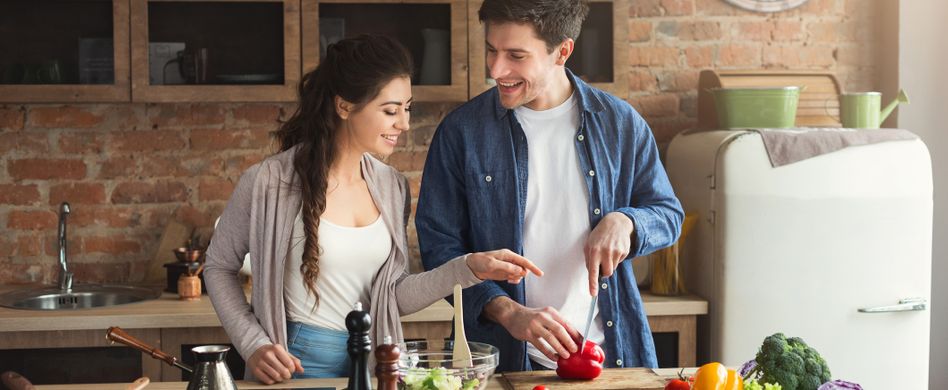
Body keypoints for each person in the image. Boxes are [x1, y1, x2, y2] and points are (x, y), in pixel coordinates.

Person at [204, 34, 542, 384]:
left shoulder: (391, 186)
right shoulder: (268, 182)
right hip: (296, 365)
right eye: (390, 110)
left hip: (375, 363)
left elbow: (392, 296)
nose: (404, 124)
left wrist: (468, 267)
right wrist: (253, 344)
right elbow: (218, 267)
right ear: (345, 106)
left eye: (406, 108)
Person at [415, 0, 684, 373]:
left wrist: (627, 221)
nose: (496, 69)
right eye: (491, 50)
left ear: (563, 51)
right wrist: (508, 311)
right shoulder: (462, 133)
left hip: (610, 358)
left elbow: (669, 214)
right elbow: (439, 248)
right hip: (502, 362)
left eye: (516, 55)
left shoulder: (620, 124)